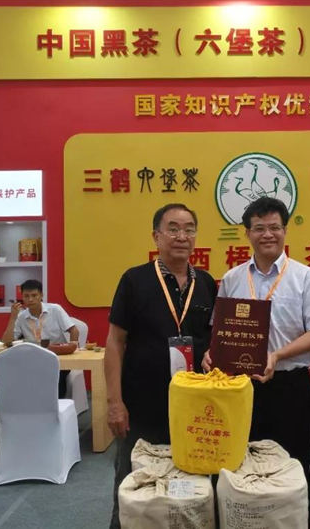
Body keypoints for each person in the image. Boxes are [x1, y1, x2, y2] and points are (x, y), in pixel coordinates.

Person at [202, 197, 310, 527]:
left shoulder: (305, 277)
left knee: (293, 470)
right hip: (240, 390)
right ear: (247, 234)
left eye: (274, 227)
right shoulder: (232, 278)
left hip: (290, 387)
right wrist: (211, 353)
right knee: (239, 471)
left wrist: (277, 355)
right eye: (259, 228)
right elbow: (219, 331)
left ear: (285, 231)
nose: (267, 234)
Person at [105, 203, 217, 529]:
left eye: (189, 229)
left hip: (194, 409)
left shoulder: (206, 283)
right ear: (157, 236)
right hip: (143, 406)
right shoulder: (134, 280)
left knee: (193, 486)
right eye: (173, 229)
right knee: (133, 485)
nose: (182, 236)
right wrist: (114, 402)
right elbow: (115, 342)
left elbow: (212, 340)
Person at [1, 279, 79, 398]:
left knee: (54, 382)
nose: (30, 299)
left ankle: (55, 405)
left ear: (41, 295)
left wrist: (73, 348)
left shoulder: (55, 309)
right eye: (26, 296)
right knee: (19, 377)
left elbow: (74, 330)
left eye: (34, 295)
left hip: (57, 359)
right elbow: (6, 342)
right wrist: (13, 318)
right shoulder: (21, 317)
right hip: (34, 360)